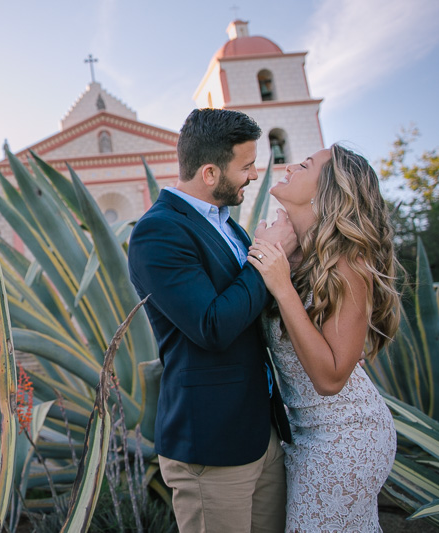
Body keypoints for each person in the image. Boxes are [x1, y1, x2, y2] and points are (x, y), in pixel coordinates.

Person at [128, 108, 295, 532]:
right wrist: (267, 259)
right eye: (246, 166)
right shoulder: (158, 232)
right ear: (209, 172)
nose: (254, 175)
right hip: (212, 444)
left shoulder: (229, 227)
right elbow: (212, 326)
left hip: (261, 433)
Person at [248, 144, 401, 531]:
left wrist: (281, 286)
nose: (289, 166)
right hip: (304, 436)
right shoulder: (296, 257)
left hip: (347, 438)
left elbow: (331, 378)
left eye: (305, 165)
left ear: (326, 191)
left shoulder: (347, 262)